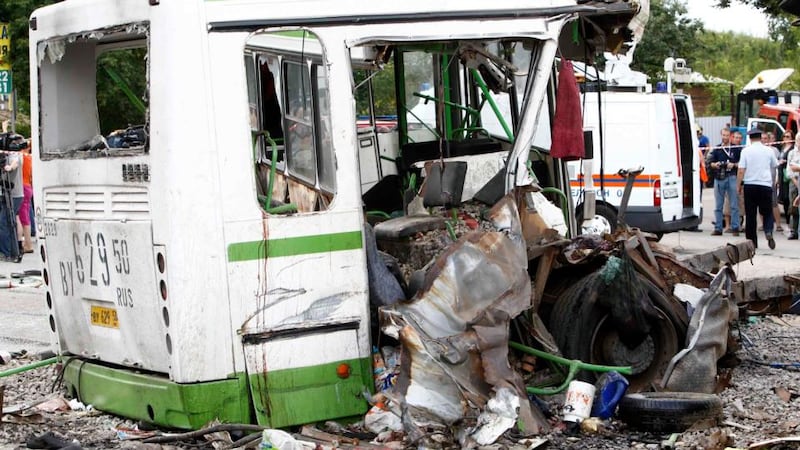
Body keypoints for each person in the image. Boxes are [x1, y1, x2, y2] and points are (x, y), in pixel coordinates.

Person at [737, 128, 779, 249]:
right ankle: (768, 231)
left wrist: (738, 185)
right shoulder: (768, 150)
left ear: (750, 138)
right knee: (767, 212)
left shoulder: (745, 151)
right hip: (765, 185)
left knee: (750, 214)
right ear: (761, 137)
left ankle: (752, 241)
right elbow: (774, 165)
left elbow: (741, 170)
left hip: (750, 185)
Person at [709, 127, 740, 236]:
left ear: (730, 136)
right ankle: (718, 228)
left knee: (734, 204)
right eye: (723, 135)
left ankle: (735, 227)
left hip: (731, 176)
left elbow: (741, 163)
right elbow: (711, 163)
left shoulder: (736, 148)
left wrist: (734, 164)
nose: (725, 137)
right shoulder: (717, 148)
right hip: (719, 177)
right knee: (718, 205)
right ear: (721, 135)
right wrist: (716, 164)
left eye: (727, 135)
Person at [0, 144, 24, 262]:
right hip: (9, 194)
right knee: (9, 222)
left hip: (13, 194)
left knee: (6, 223)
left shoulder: (15, 155)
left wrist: (9, 167)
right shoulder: (6, 155)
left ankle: (8, 252)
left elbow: (15, 162)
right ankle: (12, 251)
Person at [19, 139, 34, 253]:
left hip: (22, 187)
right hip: (28, 186)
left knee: (23, 217)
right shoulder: (30, 158)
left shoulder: (21, 156)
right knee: (26, 216)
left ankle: (28, 244)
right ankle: (27, 243)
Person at [786, 133, 800, 240]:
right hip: (794, 181)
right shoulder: (791, 153)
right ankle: (793, 230)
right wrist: (796, 182)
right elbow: (789, 169)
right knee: (793, 207)